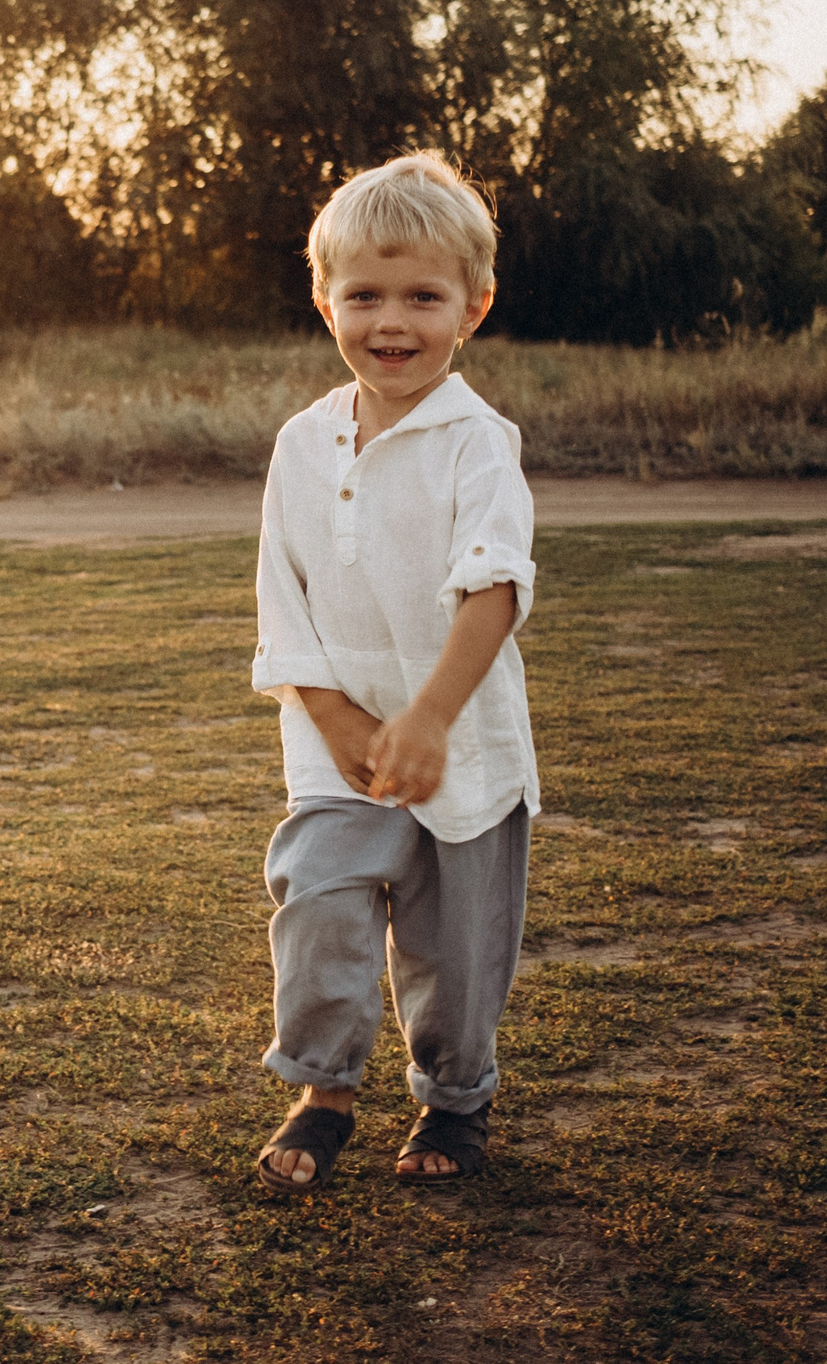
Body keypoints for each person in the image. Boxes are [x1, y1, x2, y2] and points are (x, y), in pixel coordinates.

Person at [248, 150, 538, 1192]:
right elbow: (281, 592)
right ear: (324, 297)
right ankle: (323, 1090)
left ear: (473, 306)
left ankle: (455, 1104)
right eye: (363, 294)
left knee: (452, 954)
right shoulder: (301, 441)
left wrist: (426, 719)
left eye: (423, 296)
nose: (390, 321)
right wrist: (326, 711)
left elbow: (493, 588)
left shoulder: (475, 443)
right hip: (337, 745)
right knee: (316, 894)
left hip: (459, 746)